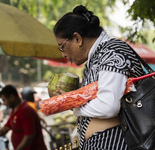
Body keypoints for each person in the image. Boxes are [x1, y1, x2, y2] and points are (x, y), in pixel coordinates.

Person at [53, 5, 145, 150]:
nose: (63, 54)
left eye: (62, 46)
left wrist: (73, 105)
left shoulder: (112, 52)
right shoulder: (95, 59)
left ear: (77, 38)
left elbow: (108, 106)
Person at [0, 85, 47, 150]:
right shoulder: (14, 110)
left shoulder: (26, 111)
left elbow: (29, 135)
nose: (4, 103)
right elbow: (7, 127)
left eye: (4, 100)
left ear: (11, 97)